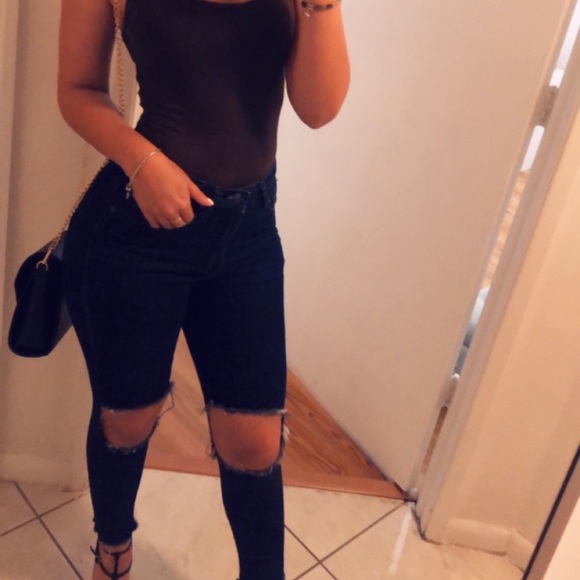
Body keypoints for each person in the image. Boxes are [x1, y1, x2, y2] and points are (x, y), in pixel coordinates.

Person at [58, 0, 349, 578]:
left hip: (248, 234)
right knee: (127, 418)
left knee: (256, 443)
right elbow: (77, 89)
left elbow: (318, 109)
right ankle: (113, 548)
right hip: (136, 227)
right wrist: (141, 161)